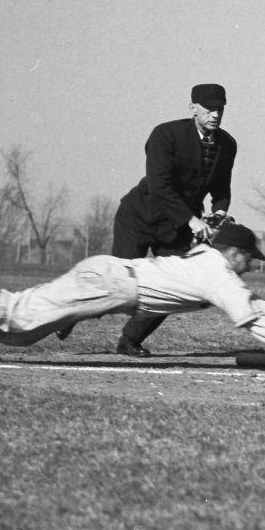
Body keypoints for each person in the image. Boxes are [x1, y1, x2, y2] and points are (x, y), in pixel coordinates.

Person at [0, 221, 265, 369]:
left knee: (19, 335)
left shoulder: (214, 266)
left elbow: (252, 301)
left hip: (112, 282)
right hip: (111, 284)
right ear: (233, 253)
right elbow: (248, 317)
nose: (252, 265)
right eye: (250, 258)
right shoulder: (218, 272)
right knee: (15, 312)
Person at [108, 83, 237, 355]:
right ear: (192, 108)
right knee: (119, 285)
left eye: (220, 109)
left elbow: (221, 189)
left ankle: (130, 340)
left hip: (176, 227)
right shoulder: (165, 134)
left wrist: (220, 211)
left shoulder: (227, 144)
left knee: (174, 285)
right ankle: (68, 316)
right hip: (140, 217)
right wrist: (192, 221)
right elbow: (159, 185)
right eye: (210, 108)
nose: (216, 114)